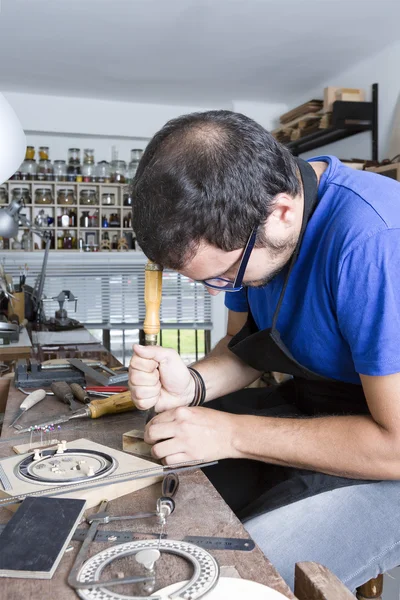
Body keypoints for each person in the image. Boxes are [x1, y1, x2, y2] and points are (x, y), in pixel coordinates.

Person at [129, 110, 400, 591]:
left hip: (390, 452)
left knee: (227, 576)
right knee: (165, 481)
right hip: (321, 407)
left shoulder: (375, 243)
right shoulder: (256, 222)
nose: (219, 291)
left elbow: (395, 447)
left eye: (224, 276)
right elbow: (245, 348)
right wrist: (191, 384)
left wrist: (231, 434)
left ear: (280, 213)